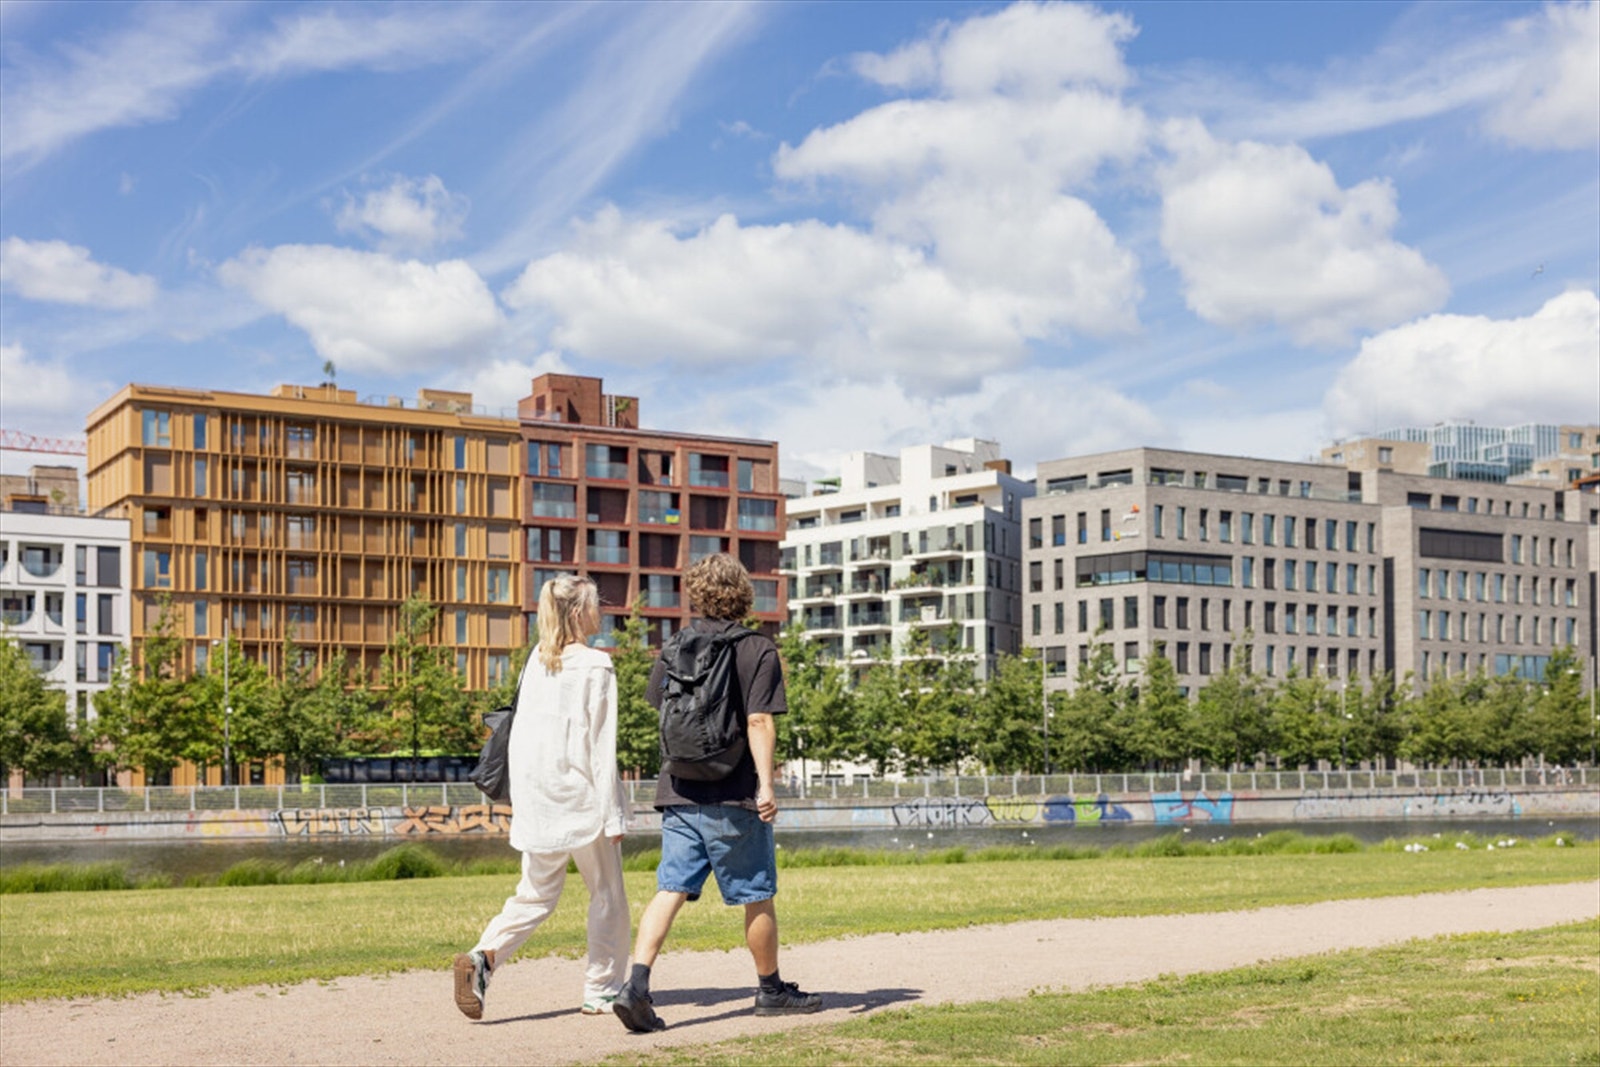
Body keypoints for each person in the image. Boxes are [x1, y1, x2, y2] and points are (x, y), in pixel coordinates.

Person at [613, 553, 823, 1033]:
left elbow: (664, 711)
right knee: (757, 894)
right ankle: (770, 991)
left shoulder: (673, 647)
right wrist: (766, 784)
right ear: (743, 594)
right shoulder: (758, 649)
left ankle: (636, 986)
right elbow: (759, 720)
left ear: (697, 594)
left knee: (670, 888)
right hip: (734, 795)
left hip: (679, 789)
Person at [453, 575, 629, 1021]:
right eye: (597, 604)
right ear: (579, 613)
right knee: (607, 896)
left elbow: (525, 737)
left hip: (539, 798)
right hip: (583, 799)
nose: (602, 612)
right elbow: (600, 747)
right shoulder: (597, 665)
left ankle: (483, 955)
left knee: (534, 895)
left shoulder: (536, 661)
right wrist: (613, 815)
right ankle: (601, 990)